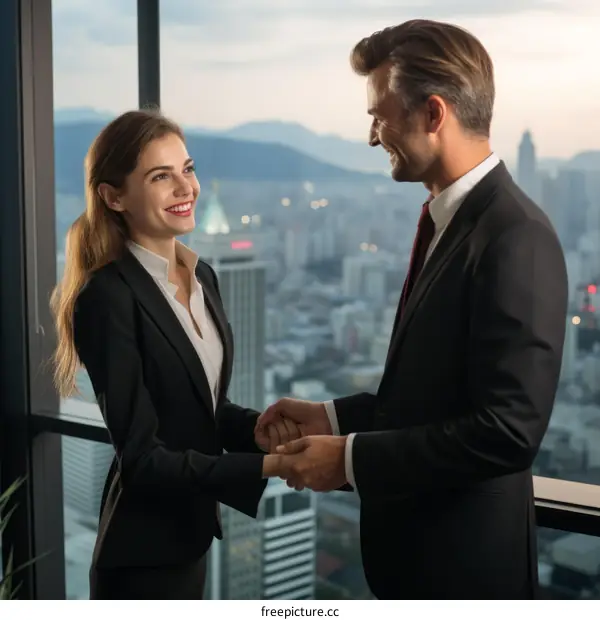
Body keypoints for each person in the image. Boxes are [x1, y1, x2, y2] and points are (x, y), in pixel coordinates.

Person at [258, 20, 568, 599]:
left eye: (380, 114)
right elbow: (434, 397)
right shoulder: (452, 223)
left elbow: (506, 432)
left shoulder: (515, 236)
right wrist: (332, 417)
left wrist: (347, 461)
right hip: (424, 569)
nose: (374, 135)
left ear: (433, 114)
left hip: (466, 578)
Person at [50, 109, 298, 599]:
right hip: (142, 561)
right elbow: (142, 459)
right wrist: (271, 468)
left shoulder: (203, 278)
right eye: (161, 177)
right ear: (113, 196)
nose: (185, 188)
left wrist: (260, 431)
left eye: (187, 168)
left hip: (191, 541)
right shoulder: (106, 299)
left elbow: (197, 406)